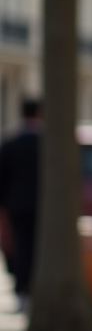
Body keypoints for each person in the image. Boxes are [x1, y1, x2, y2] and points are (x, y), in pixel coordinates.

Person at [0, 100, 42, 313]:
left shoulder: (9, 143)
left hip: (16, 206)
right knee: (36, 249)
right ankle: (33, 291)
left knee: (21, 248)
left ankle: (21, 292)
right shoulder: (47, 144)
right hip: (42, 207)